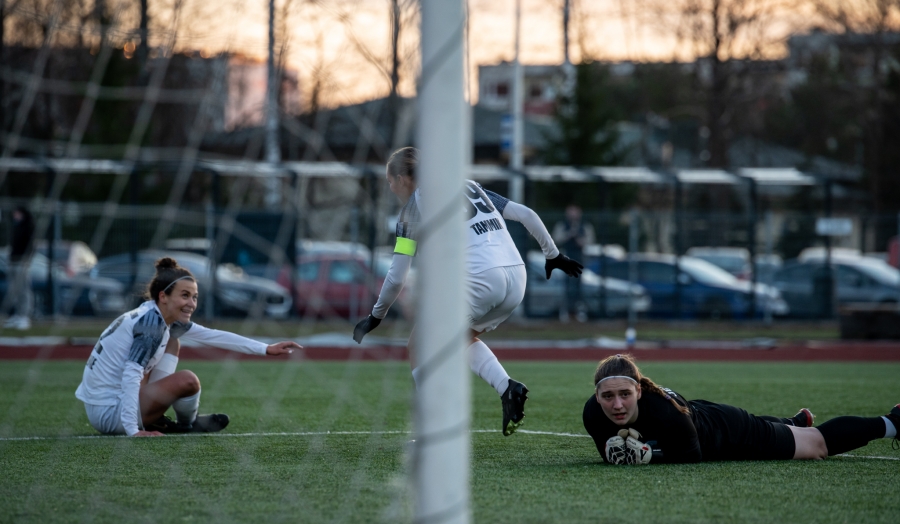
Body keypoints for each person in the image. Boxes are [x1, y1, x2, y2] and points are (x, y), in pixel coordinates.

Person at [353, 146, 584, 436]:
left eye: (390, 182)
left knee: (418, 346)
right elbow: (526, 214)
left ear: (401, 178)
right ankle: (507, 388)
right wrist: (553, 255)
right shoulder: (471, 186)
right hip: (517, 279)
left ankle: (431, 430)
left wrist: (375, 317)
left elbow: (397, 276)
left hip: (479, 281)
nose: (390, 188)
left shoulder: (412, 208)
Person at [76, 257, 302, 437]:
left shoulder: (155, 315)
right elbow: (131, 374)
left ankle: (164, 419)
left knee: (173, 342)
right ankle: (187, 425)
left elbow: (213, 336)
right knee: (188, 381)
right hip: (109, 413)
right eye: (185, 296)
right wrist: (133, 430)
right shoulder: (151, 325)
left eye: (194, 297)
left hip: (101, 407)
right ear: (163, 296)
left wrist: (265, 348)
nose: (191, 304)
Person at [583, 353, 900, 464]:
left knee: (815, 445)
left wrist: (651, 454)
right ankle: (793, 421)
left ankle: (892, 422)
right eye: (608, 397)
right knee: (787, 430)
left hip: (726, 433)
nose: (618, 404)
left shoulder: (665, 411)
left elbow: (692, 455)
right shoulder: (592, 414)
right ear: (597, 397)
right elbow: (612, 452)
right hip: (700, 416)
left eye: (625, 394)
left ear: (639, 390)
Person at [551, 205, 595, 322]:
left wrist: (578, 237)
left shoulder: (585, 226)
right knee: (566, 286)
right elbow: (556, 239)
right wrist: (569, 234)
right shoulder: (562, 225)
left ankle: (578, 312)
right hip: (565, 259)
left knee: (578, 286)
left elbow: (589, 241)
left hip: (579, 259)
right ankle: (566, 312)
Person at [4, 205, 35, 330]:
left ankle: (24, 316)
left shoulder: (28, 227)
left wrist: (26, 259)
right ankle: (17, 315)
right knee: (14, 290)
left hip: (22, 261)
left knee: (23, 289)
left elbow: (30, 245)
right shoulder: (15, 227)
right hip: (13, 261)